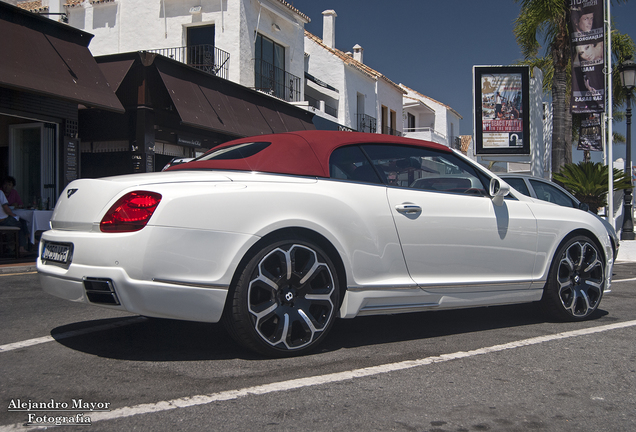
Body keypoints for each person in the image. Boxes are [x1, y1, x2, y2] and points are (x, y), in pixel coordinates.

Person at [0, 188, 28, 256]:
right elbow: (6, 208)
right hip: (3, 220)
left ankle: (12, 246)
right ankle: (22, 246)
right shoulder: (0, 192)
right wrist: (12, 214)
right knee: (21, 223)